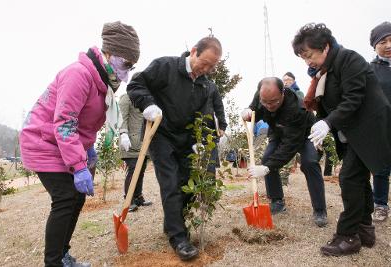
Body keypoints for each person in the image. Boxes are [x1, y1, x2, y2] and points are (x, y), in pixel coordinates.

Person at [19, 21, 140, 267]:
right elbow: (64, 122)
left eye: (131, 66)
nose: (126, 74)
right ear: (109, 53)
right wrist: (78, 164)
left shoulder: (102, 83)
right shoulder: (79, 74)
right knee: (65, 198)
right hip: (43, 142)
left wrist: (88, 148)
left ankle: (62, 255)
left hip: (61, 143)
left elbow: (84, 124)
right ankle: (54, 263)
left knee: (77, 198)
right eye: (125, 64)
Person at [292, 23, 391, 256]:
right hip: (352, 134)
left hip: (372, 129)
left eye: (309, 55)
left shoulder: (349, 60)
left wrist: (328, 122)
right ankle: (365, 229)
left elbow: (353, 98)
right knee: (357, 179)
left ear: (325, 47)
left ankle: (348, 235)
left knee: (348, 178)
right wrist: (322, 126)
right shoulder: (324, 72)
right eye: (303, 58)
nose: (308, 62)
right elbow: (329, 104)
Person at [127, 36, 222, 261]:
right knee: (170, 184)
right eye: (204, 62)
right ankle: (178, 238)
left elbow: (206, 113)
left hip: (186, 139)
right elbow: (135, 84)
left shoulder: (205, 84)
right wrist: (148, 104)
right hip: (160, 135)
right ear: (194, 51)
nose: (206, 69)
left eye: (212, 66)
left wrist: (202, 138)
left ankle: (172, 223)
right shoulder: (165, 66)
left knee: (187, 184)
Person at [242, 77, 327, 227]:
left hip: (305, 133)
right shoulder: (262, 96)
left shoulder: (296, 108)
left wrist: (267, 168)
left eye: (273, 102)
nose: (268, 106)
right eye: (265, 102)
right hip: (278, 131)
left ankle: (320, 210)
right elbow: (255, 110)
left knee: (309, 163)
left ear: (283, 93)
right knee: (267, 157)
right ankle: (277, 201)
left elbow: (290, 145)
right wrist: (247, 111)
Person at [118, 79, 153, 212]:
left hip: (142, 143)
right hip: (130, 142)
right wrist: (123, 134)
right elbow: (122, 118)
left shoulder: (143, 99)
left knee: (141, 170)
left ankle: (138, 197)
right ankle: (129, 199)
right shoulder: (126, 98)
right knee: (133, 170)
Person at [369, 21, 391, 222]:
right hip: (381, 125)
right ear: (375, 46)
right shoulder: (370, 70)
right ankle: (381, 204)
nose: (389, 45)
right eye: (383, 41)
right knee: (381, 167)